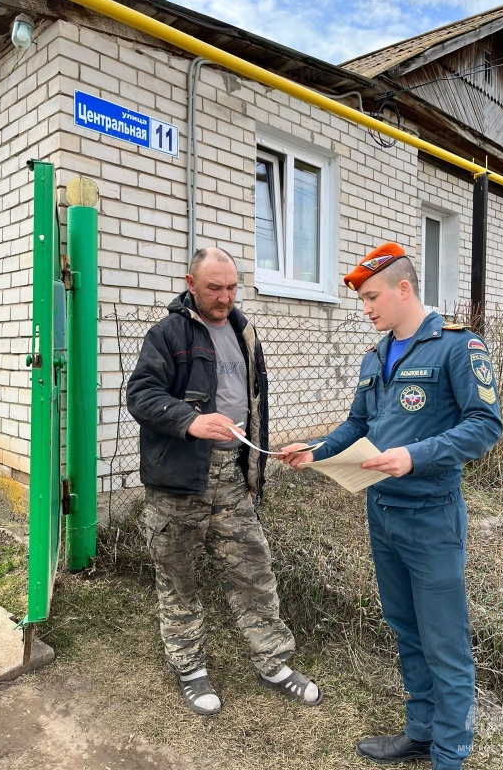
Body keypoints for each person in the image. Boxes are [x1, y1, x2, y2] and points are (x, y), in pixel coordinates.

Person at [280, 242, 502, 769]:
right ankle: (421, 733)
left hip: (431, 515)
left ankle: (450, 755)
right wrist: (317, 449)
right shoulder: (376, 355)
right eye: (361, 300)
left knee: (445, 643)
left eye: (372, 297)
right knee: (406, 629)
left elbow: (486, 424)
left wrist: (414, 456)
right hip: (381, 513)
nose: (366, 309)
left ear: (405, 290)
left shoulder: (457, 347)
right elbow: (360, 424)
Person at [126, 246, 322, 715]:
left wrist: (253, 473)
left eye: (232, 287)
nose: (224, 297)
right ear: (190, 284)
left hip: (232, 477)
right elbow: (140, 394)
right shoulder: (167, 334)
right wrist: (189, 421)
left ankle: (273, 663)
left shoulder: (244, 332)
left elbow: (255, 405)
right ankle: (191, 668)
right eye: (214, 287)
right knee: (179, 579)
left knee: (254, 569)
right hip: (178, 481)